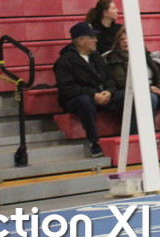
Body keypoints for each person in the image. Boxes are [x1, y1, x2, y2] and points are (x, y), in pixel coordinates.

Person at [54, 22, 126, 157]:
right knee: (85, 101)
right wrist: (93, 94)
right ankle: (94, 143)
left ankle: (132, 134)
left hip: (102, 96)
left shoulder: (96, 56)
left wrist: (109, 91)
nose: (96, 40)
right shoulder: (64, 61)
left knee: (129, 96)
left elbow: (109, 79)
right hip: (77, 100)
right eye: (92, 37)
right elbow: (68, 89)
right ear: (80, 41)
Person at [103, 29, 160, 132]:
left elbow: (158, 74)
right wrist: (147, 89)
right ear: (118, 43)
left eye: (128, 38)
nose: (125, 41)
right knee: (150, 98)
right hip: (125, 92)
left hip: (149, 89)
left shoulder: (144, 54)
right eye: (122, 39)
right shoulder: (113, 57)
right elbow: (121, 82)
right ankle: (142, 132)